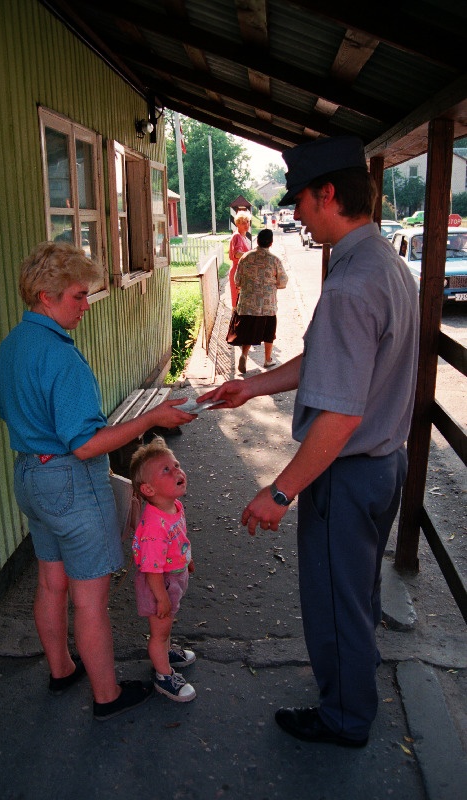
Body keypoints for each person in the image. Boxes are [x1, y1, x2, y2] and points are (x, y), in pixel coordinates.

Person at [200, 135, 420, 747]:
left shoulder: (351, 284)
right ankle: (355, 684)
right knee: (358, 593)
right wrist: (253, 387)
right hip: (385, 465)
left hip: (347, 472)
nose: (296, 211)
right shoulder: (383, 263)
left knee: (334, 601)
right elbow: (330, 359)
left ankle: (345, 719)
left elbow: (340, 416)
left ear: (329, 194)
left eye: (301, 199)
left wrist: (280, 490)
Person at [0, 241, 196, 722]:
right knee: (90, 600)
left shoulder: (12, 345)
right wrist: (154, 415)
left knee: (51, 580)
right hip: (68, 481)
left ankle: (62, 669)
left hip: (30, 474)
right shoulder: (62, 358)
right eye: (78, 297)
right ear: (46, 295)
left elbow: (8, 411)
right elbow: (85, 444)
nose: (86, 306)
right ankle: (107, 696)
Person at [130, 436, 196, 702]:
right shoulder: (154, 528)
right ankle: (163, 676)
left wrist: (187, 558)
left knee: (165, 627)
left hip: (172, 577)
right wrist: (161, 598)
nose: (177, 471)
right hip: (160, 585)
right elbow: (151, 571)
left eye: (176, 464)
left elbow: (180, 537)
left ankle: (166, 651)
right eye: (166, 470)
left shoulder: (173, 506)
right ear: (148, 489)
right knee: (159, 631)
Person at [226, 227, 288, 374]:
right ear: (271, 243)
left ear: (257, 241)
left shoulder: (245, 257)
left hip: (247, 304)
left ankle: (244, 355)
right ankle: (267, 359)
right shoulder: (275, 260)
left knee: (248, 330)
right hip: (267, 305)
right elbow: (283, 281)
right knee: (268, 332)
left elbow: (237, 280)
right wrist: (273, 285)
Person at [228, 211, 252, 309]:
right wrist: (252, 255)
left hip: (243, 272)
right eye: (243, 223)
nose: (246, 224)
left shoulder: (244, 236)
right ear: (237, 224)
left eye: (247, 222)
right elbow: (237, 254)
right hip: (238, 272)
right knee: (238, 303)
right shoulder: (237, 236)